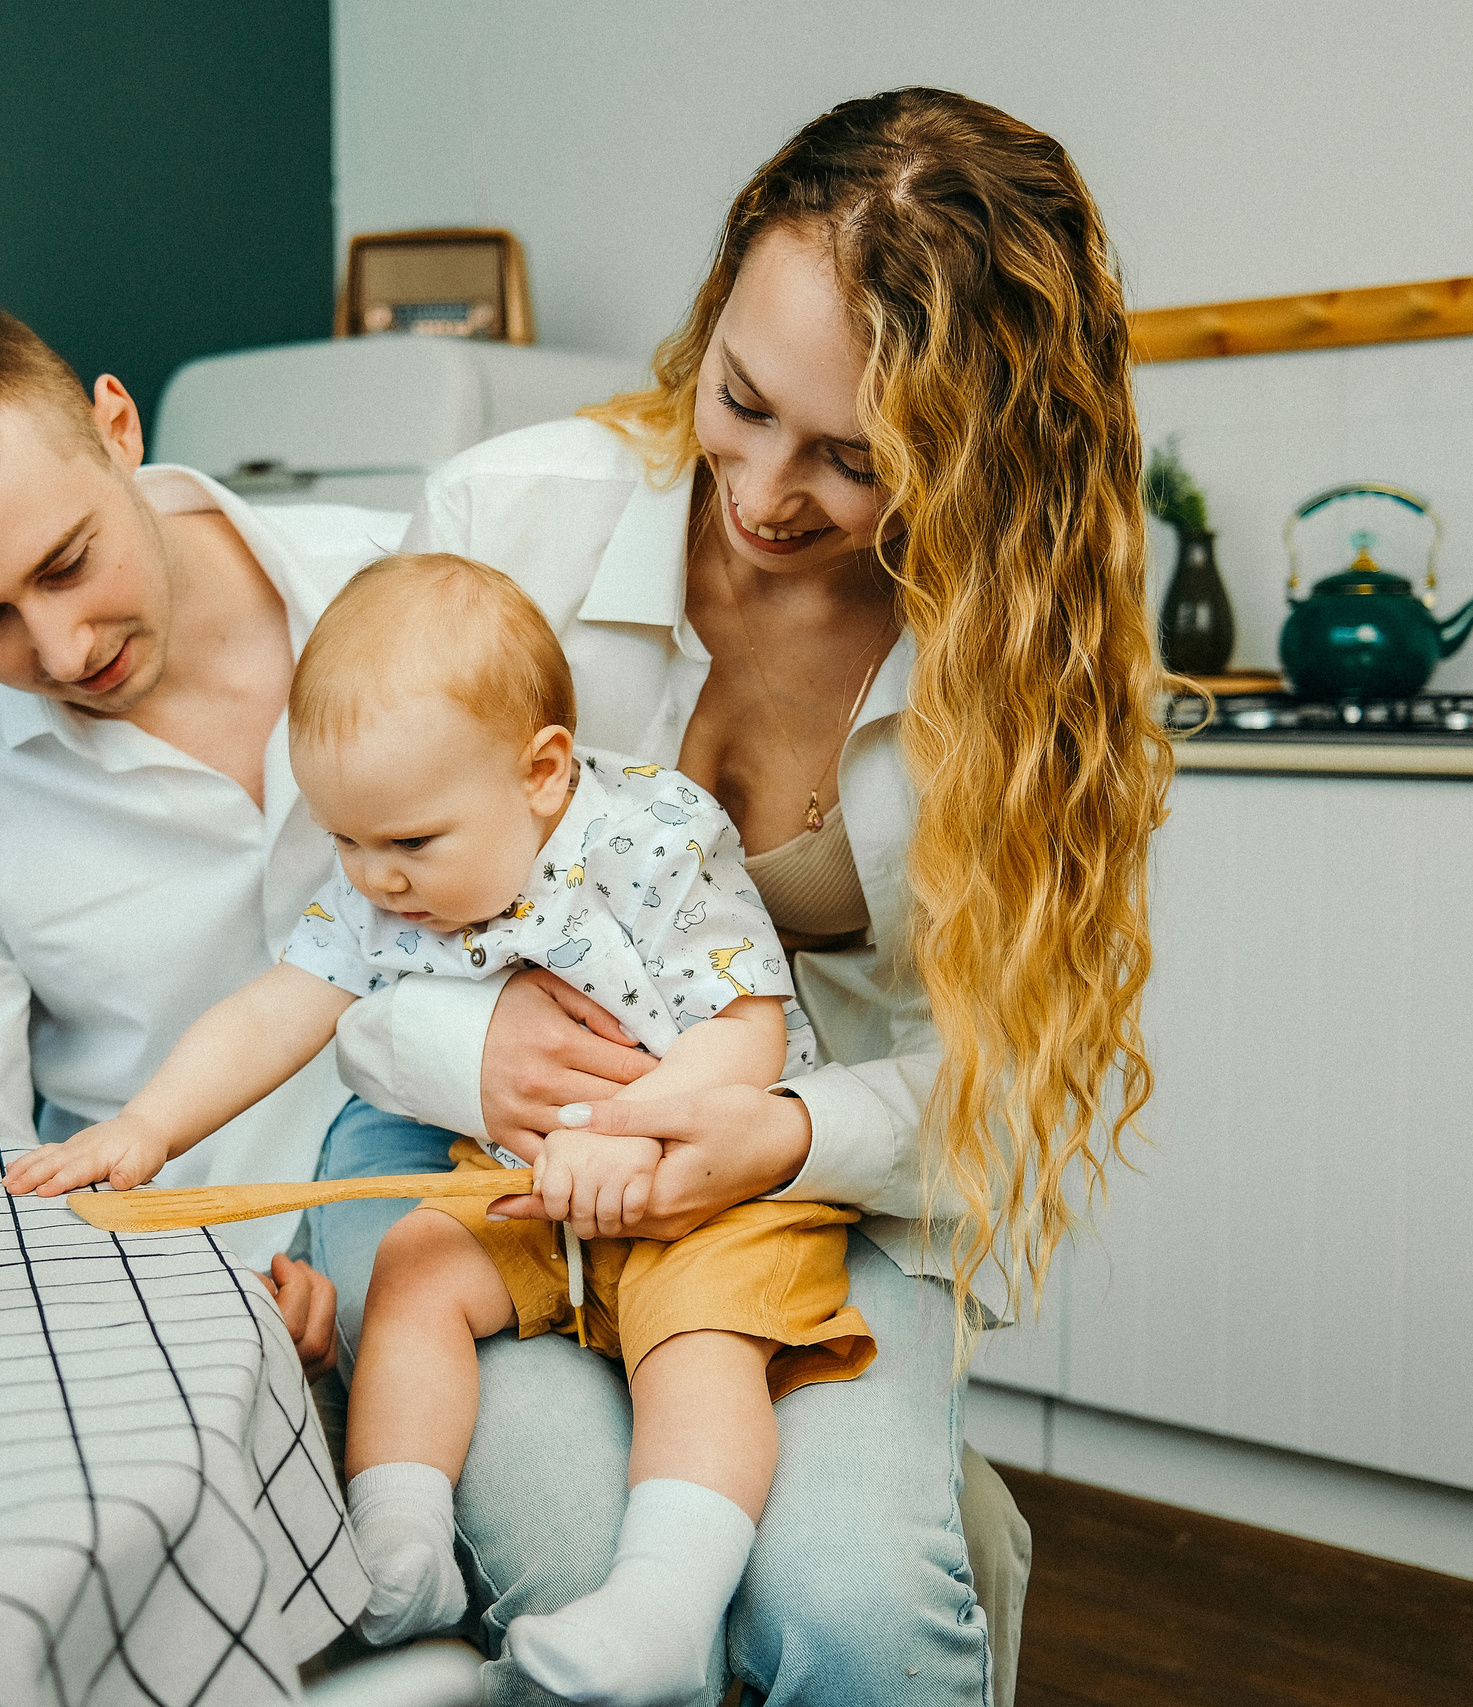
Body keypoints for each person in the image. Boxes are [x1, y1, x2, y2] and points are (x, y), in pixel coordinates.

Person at [312, 88, 1165, 1707]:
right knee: (586, 1587)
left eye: (858, 460)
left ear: (984, 456)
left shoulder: (1028, 667)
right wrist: (470, 1050)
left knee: (859, 1619)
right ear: (709, 324)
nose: (768, 494)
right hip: (463, 1161)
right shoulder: (513, 517)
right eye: (743, 400)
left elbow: (1004, 1073)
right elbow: (326, 943)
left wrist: (776, 1132)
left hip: (800, 1188)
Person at [7, 553, 869, 1705]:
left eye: (409, 845)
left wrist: (630, 1134)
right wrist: (149, 1126)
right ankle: (396, 1546)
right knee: (412, 1268)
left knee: (698, 1351)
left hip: (712, 1190)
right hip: (526, 1187)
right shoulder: (380, 874)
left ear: (543, 774)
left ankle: (664, 1606)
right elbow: (281, 1007)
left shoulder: (654, 838)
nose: (376, 881)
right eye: (345, 842)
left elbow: (746, 1028)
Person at [0, 293, 399, 1364]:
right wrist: (175, 1308)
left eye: (67, 562)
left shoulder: (408, 584)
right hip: (164, 1307)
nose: (65, 653)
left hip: (488, 1231)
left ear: (117, 428)